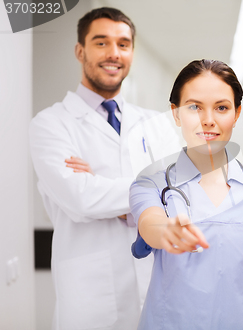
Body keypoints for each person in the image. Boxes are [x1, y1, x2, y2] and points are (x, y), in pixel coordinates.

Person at [29, 7, 180, 330]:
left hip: (156, 286)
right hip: (90, 296)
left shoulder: (155, 124)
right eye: (101, 43)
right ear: (80, 51)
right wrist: (147, 196)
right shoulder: (50, 124)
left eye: (123, 44)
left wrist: (101, 185)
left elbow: (179, 194)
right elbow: (80, 198)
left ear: (132, 52)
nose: (114, 53)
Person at [129, 59, 243, 330]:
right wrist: (167, 230)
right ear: (175, 114)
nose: (208, 120)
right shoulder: (151, 183)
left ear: (236, 113)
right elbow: (150, 223)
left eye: (221, 108)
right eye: (194, 107)